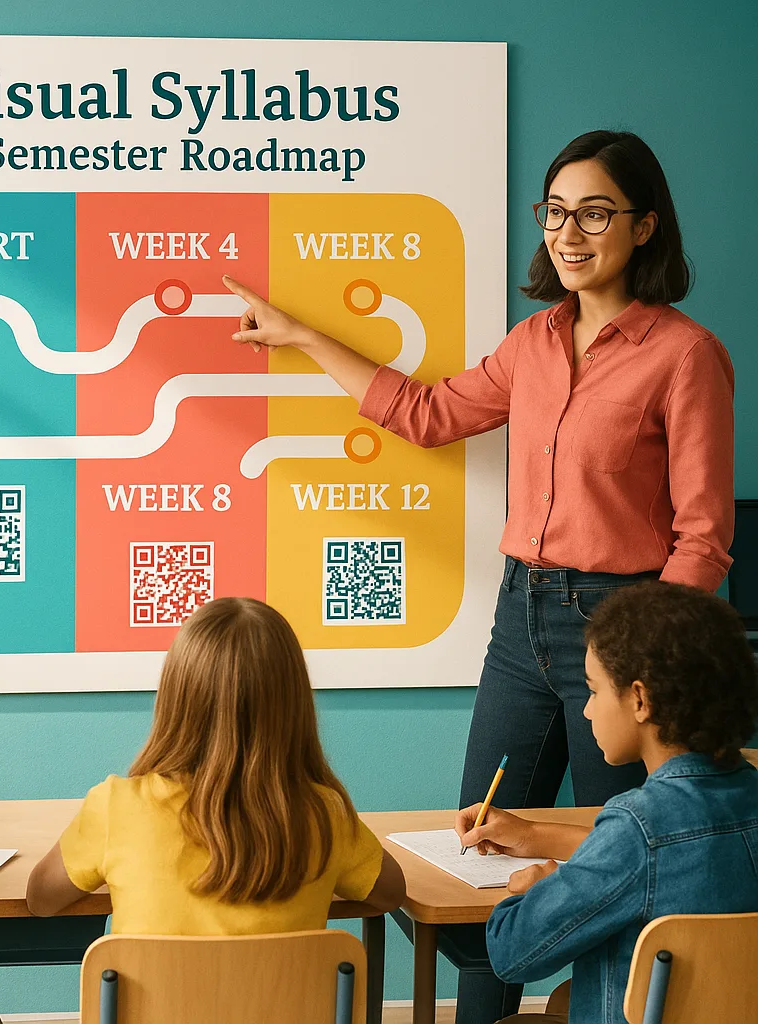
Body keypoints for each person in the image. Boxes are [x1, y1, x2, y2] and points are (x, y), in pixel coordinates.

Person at [222, 129, 734, 1022]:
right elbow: (424, 414)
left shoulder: (685, 356)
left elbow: (703, 540)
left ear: (646, 225)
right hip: (518, 620)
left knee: (611, 870)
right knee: (478, 853)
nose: (570, 233)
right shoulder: (532, 343)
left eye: (597, 213)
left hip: (622, 633)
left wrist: (649, 659)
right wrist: (302, 335)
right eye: (557, 212)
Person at [454, 582, 758, 1024]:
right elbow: (669, 860)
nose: (586, 711)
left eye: (593, 691)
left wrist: (534, 892)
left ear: (639, 699)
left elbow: (510, 953)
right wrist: (536, 835)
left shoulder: (633, 827)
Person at [25, 596, 405, 931]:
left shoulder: (117, 806)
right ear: (293, 704)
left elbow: (41, 899)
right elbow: (390, 894)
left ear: (176, 696)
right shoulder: (325, 816)